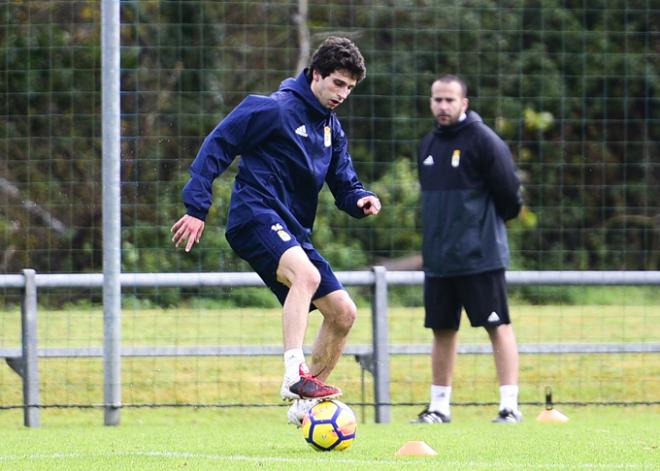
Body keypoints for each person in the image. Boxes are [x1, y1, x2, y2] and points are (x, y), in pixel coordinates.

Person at [170, 37, 381, 426]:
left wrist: (360, 199)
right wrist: (197, 206)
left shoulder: (331, 129)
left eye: (350, 88)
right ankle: (293, 376)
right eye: (337, 83)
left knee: (343, 314)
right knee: (307, 275)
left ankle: (304, 407)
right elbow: (218, 144)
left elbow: (344, 183)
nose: (343, 94)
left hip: (293, 230)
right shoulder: (273, 108)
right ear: (316, 74)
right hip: (254, 215)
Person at [414, 75, 523, 424]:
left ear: (464, 103)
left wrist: (479, 232)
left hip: (480, 257)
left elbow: (510, 198)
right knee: (442, 330)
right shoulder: (428, 144)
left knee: (498, 325)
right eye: (437, 100)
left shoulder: (484, 141)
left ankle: (509, 406)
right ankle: (439, 407)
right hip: (439, 260)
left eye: (449, 100)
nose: (442, 106)